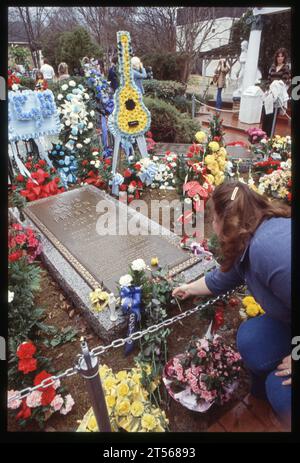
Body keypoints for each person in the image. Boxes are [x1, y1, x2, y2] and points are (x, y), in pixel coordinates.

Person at [172, 181, 291, 428]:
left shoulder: (268, 250)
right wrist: (188, 289)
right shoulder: (249, 240)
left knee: (279, 391)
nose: (213, 228)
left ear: (226, 220)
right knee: (252, 339)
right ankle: (261, 392)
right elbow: (221, 279)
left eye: (213, 220)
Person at [262, 48, 291, 137]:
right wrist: (267, 89)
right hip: (269, 95)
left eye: (282, 56)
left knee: (272, 118)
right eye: (278, 56)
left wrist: (275, 86)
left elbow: (284, 80)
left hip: (277, 95)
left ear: (284, 58)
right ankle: (262, 136)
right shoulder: (273, 67)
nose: (280, 58)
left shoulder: (285, 68)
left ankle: (269, 137)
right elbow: (268, 80)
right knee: (266, 116)